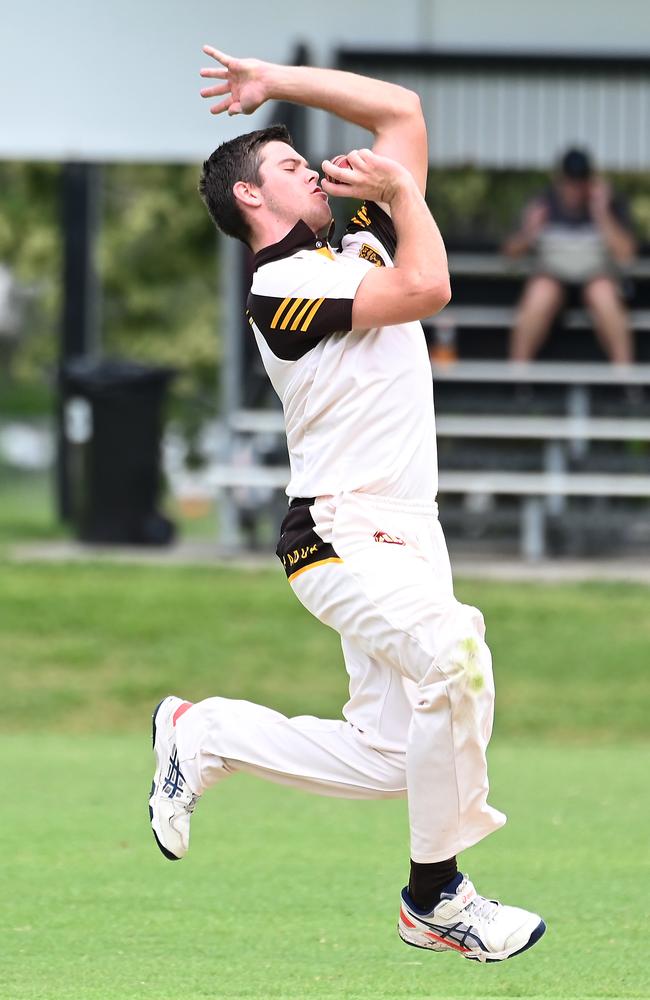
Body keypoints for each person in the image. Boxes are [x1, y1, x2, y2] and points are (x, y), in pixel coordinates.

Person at [148, 46, 546, 964]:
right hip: (336, 532)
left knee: (387, 756)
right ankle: (435, 897)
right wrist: (406, 200)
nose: (313, 168)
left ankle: (201, 731)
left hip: (411, 532)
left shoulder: (347, 240)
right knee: (458, 652)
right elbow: (427, 289)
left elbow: (400, 111)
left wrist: (273, 84)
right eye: (290, 166)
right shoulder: (281, 286)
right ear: (254, 200)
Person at [504, 147, 637, 363]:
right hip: (552, 277)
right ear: (559, 180)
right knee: (539, 294)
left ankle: (626, 381)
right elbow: (510, 253)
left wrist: (602, 214)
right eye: (570, 182)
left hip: (597, 277)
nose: (575, 188)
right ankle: (518, 379)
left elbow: (627, 254)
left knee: (603, 294)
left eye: (580, 182)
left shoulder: (609, 205)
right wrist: (529, 232)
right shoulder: (541, 204)